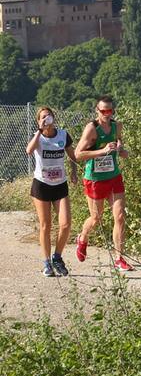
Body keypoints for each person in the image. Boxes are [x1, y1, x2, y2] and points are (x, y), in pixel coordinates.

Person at [74, 96, 132, 271]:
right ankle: (82, 237)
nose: (107, 114)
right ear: (97, 111)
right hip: (95, 179)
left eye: (110, 111)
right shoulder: (92, 129)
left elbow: (121, 150)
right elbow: (78, 154)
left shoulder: (117, 126)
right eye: (103, 111)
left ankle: (119, 258)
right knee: (96, 218)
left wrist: (121, 150)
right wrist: (102, 151)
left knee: (120, 216)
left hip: (114, 177)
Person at [26, 106, 77, 278]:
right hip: (41, 184)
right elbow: (29, 151)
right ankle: (46, 262)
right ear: (39, 120)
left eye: (49, 116)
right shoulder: (37, 137)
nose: (47, 118)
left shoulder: (63, 135)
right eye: (43, 117)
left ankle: (57, 257)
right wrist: (40, 130)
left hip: (60, 184)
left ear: (54, 117)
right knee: (45, 225)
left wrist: (74, 172)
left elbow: (72, 155)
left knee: (65, 224)